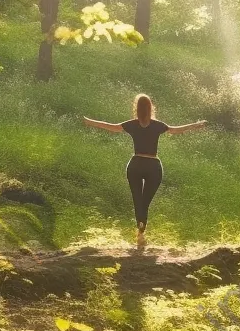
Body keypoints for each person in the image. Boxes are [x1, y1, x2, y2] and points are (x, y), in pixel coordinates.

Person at [83, 94, 207, 250]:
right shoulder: (157, 125)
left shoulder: (133, 124)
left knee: (137, 199)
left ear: (136, 108)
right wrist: (196, 125)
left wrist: (90, 122)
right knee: (145, 202)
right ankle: (141, 233)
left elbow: (111, 127)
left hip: (135, 165)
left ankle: (140, 232)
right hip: (153, 166)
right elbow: (175, 130)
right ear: (150, 108)